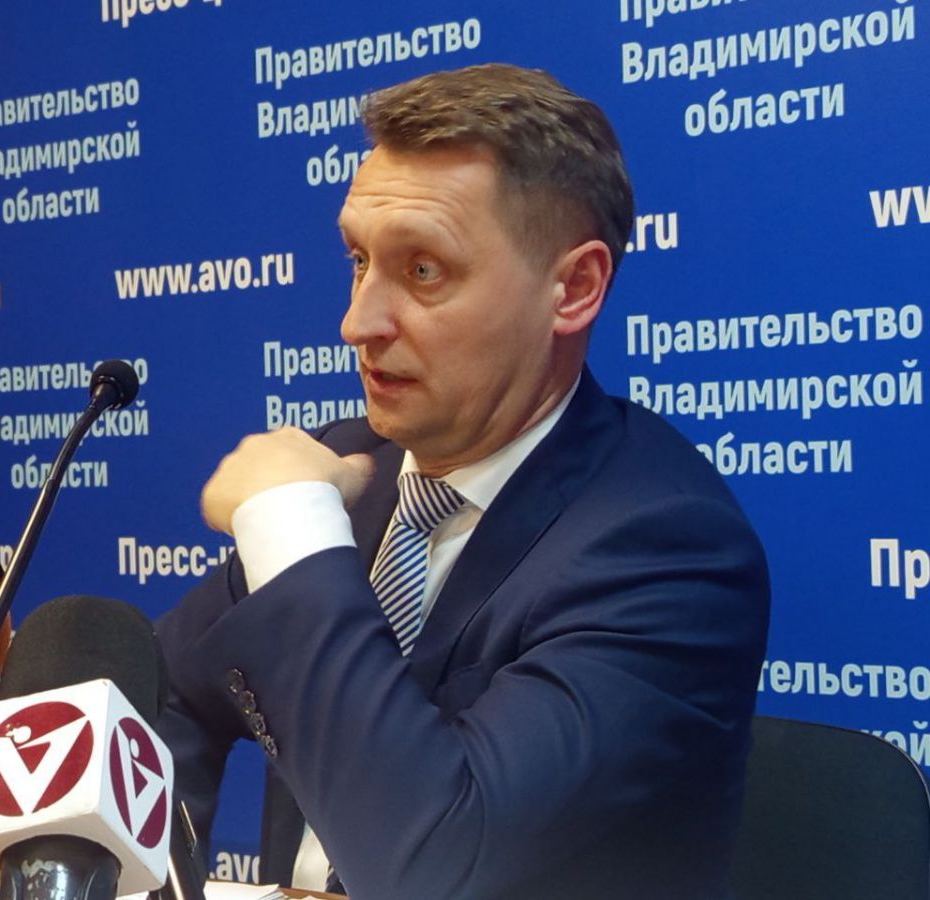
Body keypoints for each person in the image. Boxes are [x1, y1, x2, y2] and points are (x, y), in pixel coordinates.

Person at [154, 63, 769, 900]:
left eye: (424, 272)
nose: (357, 322)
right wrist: (157, 876)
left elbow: (430, 865)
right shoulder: (351, 468)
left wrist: (292, 528)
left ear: (574, 288)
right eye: (359, 260)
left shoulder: (667, 552)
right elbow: (161, 692)